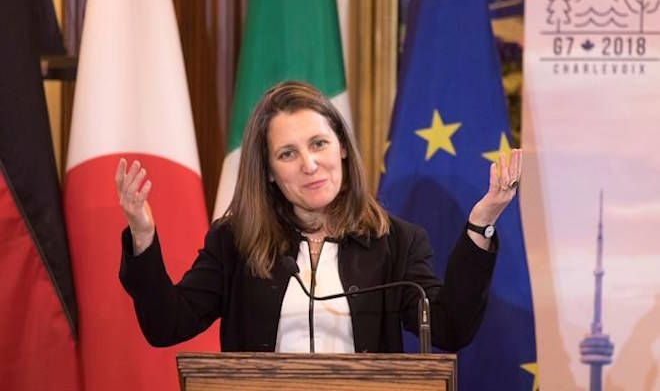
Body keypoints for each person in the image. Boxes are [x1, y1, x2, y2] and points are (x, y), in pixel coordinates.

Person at [116, 80, 522, 353]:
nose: (309, 164)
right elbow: (166, 325)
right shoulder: (235, 241)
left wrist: (480, 224)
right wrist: (143, 234)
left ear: (342, 148)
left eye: (319, 144)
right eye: (287, 154)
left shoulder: (396, 243)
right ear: (270, 173)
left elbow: (449, 328)